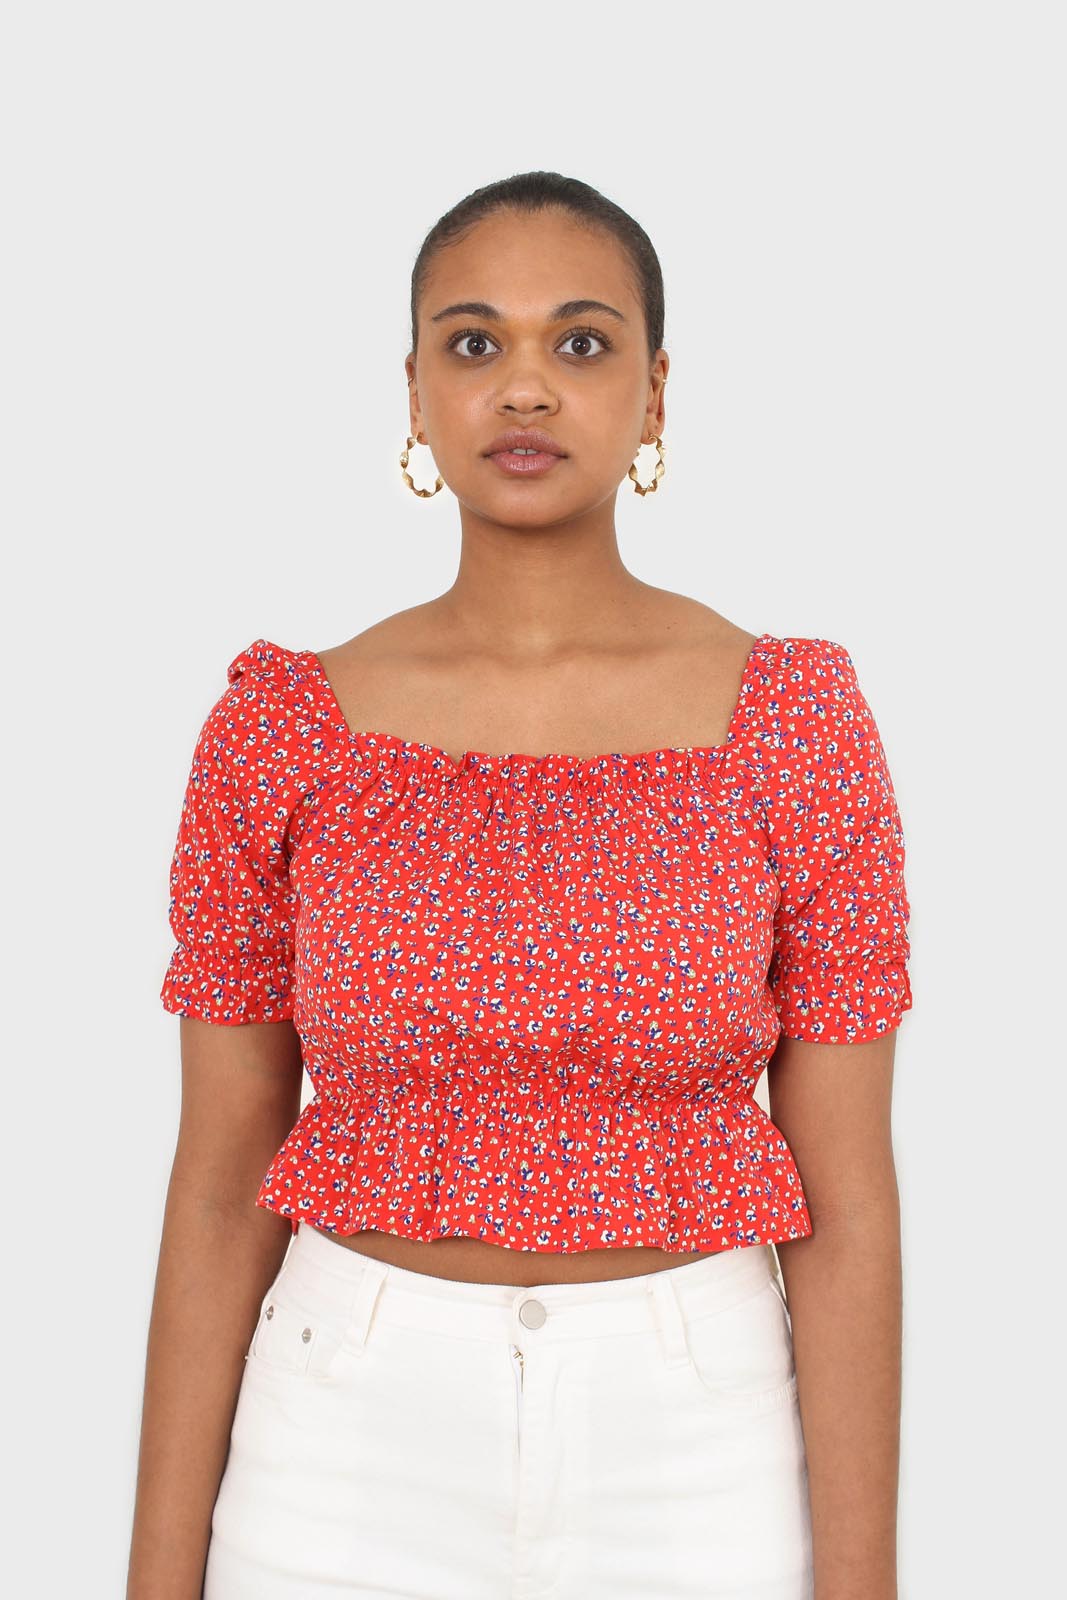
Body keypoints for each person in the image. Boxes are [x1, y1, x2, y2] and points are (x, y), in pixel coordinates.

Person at [127, 170, 914, 1600]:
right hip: (339, 1450)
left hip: (698, 1450)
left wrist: (861, 1580)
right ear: (415, 393)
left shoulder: (791, 720)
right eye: (476, 342)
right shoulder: (283, 726)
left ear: (656, 394)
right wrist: (153, 1577)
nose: (527, 387)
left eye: (584, 341)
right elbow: (219, 1181)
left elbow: (848, 1194)